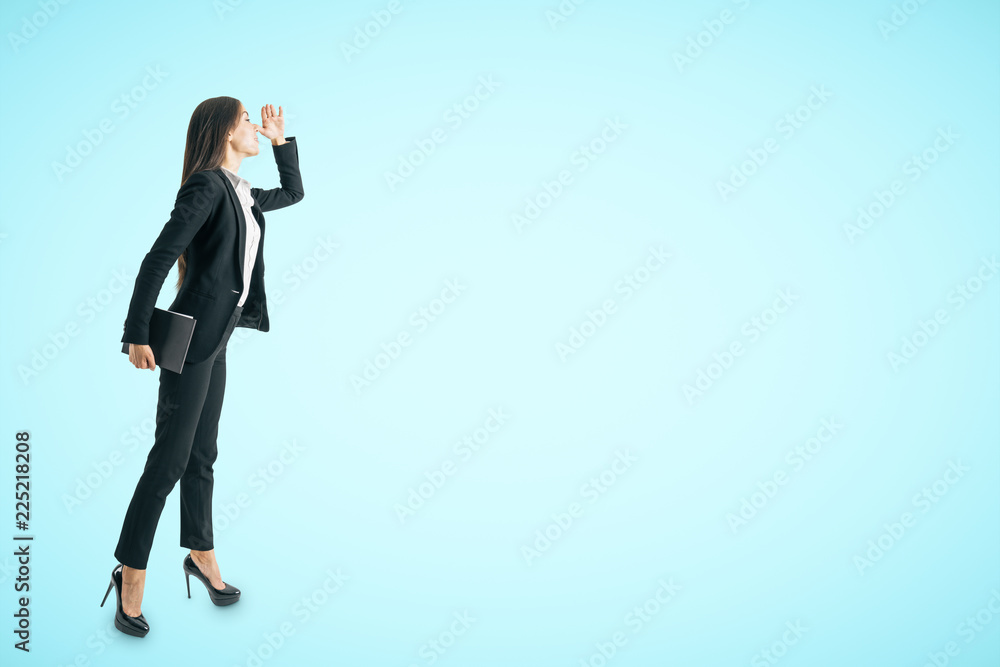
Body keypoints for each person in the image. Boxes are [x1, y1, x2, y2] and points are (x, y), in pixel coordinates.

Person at [100, 97, 304, 637]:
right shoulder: (206, 186)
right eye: (246, 121)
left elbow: (294, 193)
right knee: (169, 460)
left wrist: (282, 143)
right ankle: (130, 572)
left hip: (217, 339)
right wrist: (136, 333)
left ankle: (200, 553)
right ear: (223, 132)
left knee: (203, 455)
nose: (254, 126)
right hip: (189, 339)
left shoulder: (243, 192)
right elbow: (157, 259)